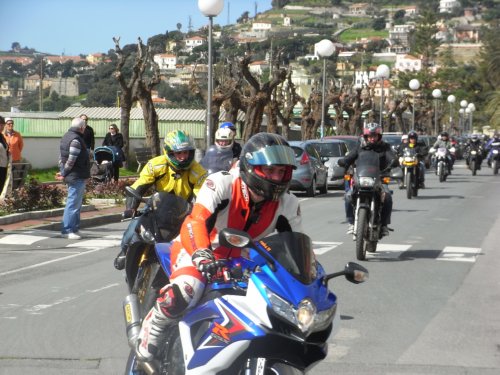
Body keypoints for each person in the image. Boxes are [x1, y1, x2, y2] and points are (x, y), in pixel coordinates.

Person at [134, 132, 302, 362]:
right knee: (185, 290)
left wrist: (307, 278)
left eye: (281, 172)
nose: (276, 177)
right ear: (251, 167)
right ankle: (153, 328)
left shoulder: (288, 203)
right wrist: (201, 254)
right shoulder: (222, 183)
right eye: (270, 170)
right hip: (198, 249)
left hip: (244, 262)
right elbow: (196, 221)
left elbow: (296, 246)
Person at [114, 130, 207, 269]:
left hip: (182, 212)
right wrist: (131, 208)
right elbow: (139, 185)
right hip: (156, 206)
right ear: (169, 152)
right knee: (135, 225)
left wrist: (203, 215)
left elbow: (202, 197)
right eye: (179, 153)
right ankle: (125, 250)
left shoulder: (198, 171)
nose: (183, 157)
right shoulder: (156, 165)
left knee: (192, 239)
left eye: (186, 152)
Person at [339, 123, 397, 236]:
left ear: (379, 136)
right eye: (369, 136)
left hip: (379, 178)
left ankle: (384, 225)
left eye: (374, 135)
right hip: (361, 178)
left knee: (388, 197)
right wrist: (344, 161)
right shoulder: (360, 147)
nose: (372, 138)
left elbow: (391, 158)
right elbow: (350, 157)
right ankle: (351, 223)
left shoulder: (385, 147)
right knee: (348, 196)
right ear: (365, 136)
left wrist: (394, 161)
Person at [56, 117, 91, 240]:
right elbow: (71, 160)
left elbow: (61, 156)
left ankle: (74, 228)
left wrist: (62, 169)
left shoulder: (66, 136)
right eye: (84, 127)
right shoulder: (76, 140)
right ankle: (67, 230)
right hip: (75, 174)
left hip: (74, 174)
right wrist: (64, 172)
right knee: (73, 203)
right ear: (82, 128)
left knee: (76, 203)